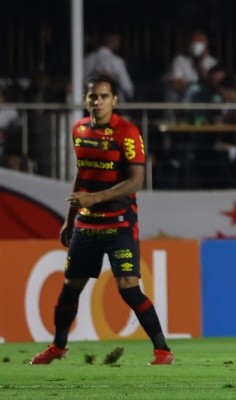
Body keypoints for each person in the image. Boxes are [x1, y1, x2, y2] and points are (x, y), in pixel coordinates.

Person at [30, 74, 174, 365]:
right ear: (85, 100)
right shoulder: (79, 129)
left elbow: (136, 181)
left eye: (104, 96)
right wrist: (70, 219)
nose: (98, 102)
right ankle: (58, 347)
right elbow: (83, 175)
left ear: (114, 100)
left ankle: (163, 350)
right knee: (71, 285)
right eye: (93, 96)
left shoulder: (128, 132)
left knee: (128, 286)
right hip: (86, 223)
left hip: (119, 221)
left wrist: (93, 199)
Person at [84, 33, 134, 101]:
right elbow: (126, 87)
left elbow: (81, 81)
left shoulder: (88, 59)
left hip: (91, 103)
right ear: (111, 40)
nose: (120, 42)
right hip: (114, 106)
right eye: (117, 39)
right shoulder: (116, 61)